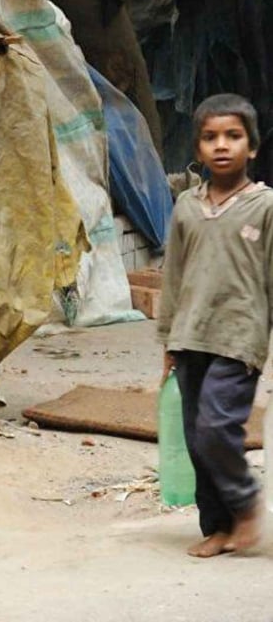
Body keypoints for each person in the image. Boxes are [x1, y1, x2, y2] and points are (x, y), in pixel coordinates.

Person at [159, 93, 273, 558]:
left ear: (253, 147)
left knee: (215, 427)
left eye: (233, 136)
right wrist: (166, 340)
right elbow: (173, 276)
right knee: (194, 437)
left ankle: (245, 503)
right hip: (189, 336)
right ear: (198, 148)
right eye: (209, 137)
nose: (221, 146)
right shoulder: (187, 206)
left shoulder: (264, 206)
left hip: (238, 337)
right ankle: (218, 527)